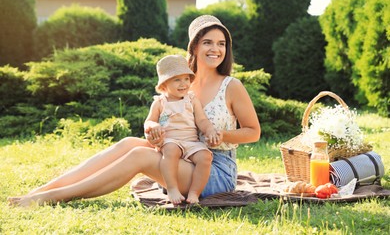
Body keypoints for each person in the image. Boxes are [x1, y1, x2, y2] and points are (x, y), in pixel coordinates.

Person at [8, 15, 261, 207]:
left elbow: (254, 133)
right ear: (194, 46)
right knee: (130, 142)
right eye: (207, 42)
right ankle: (42, 189)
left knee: (140, 156)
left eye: (221, 43)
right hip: (180, 152)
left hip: (213, 169)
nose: (215, 49)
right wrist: (154, 132)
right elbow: (161, 117)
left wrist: (219, 134)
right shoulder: (182, 83)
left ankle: (53, 197)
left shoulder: (232, 86)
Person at [144, 54, 220, 204]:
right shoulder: (160, 102)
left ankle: (194, 193)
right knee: (170, 151)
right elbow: (149, 121)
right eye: (177, 79)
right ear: (164, 85)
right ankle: (172, 188)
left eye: (186, 79)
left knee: (205, 157)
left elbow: (202, 120)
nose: (183, 84)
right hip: (170, 140)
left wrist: (209, 130)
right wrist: (154, 126)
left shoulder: (191, 99)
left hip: (191, 141)